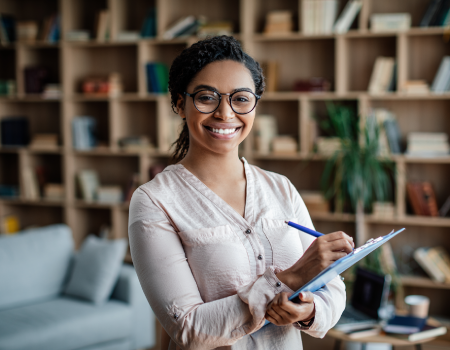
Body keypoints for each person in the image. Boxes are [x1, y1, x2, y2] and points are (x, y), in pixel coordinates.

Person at [128, 36, 354, 350]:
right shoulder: (154, 201)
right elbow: (188, 329)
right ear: (180, 103)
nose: (225, 113)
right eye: (207, 97)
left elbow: (333, 289)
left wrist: (307, 309)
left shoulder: (280, 188)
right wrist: (290, 278)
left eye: (241, 98)